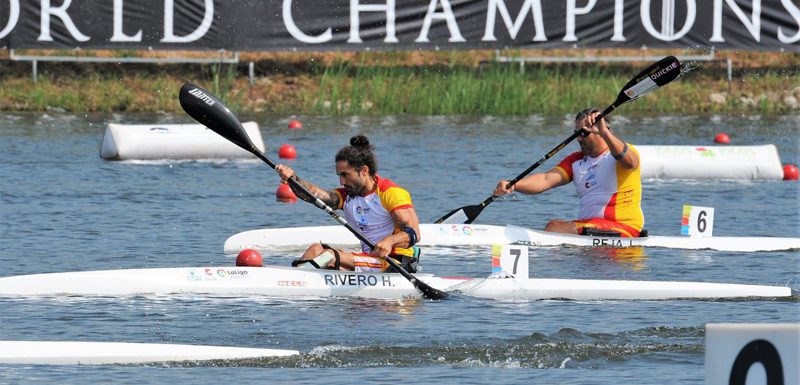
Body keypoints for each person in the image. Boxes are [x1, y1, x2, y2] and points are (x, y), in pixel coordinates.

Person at [275, 134, 421, 272]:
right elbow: (314, 195)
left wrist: (390, 241)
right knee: (315, 249)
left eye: (345, 175)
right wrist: (293, 179)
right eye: (339, 175)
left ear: (364, 170)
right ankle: (296, 278)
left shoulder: (390, 193)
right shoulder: (347, 197)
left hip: (394, 263)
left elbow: (414, 233)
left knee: (330, 256)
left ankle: (300, 277)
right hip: (370, 261)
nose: (341, 181)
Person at [493, 108, 644, 237]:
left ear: (601, 131)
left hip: (623, 228)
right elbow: (546, 179)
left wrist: (604, 131)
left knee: (555, 228)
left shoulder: (621, 152)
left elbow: (631, 163)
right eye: (575, 133)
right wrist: (514, 184)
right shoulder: (576, 161)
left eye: (583, 133)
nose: (578, 138)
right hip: (590, 230)